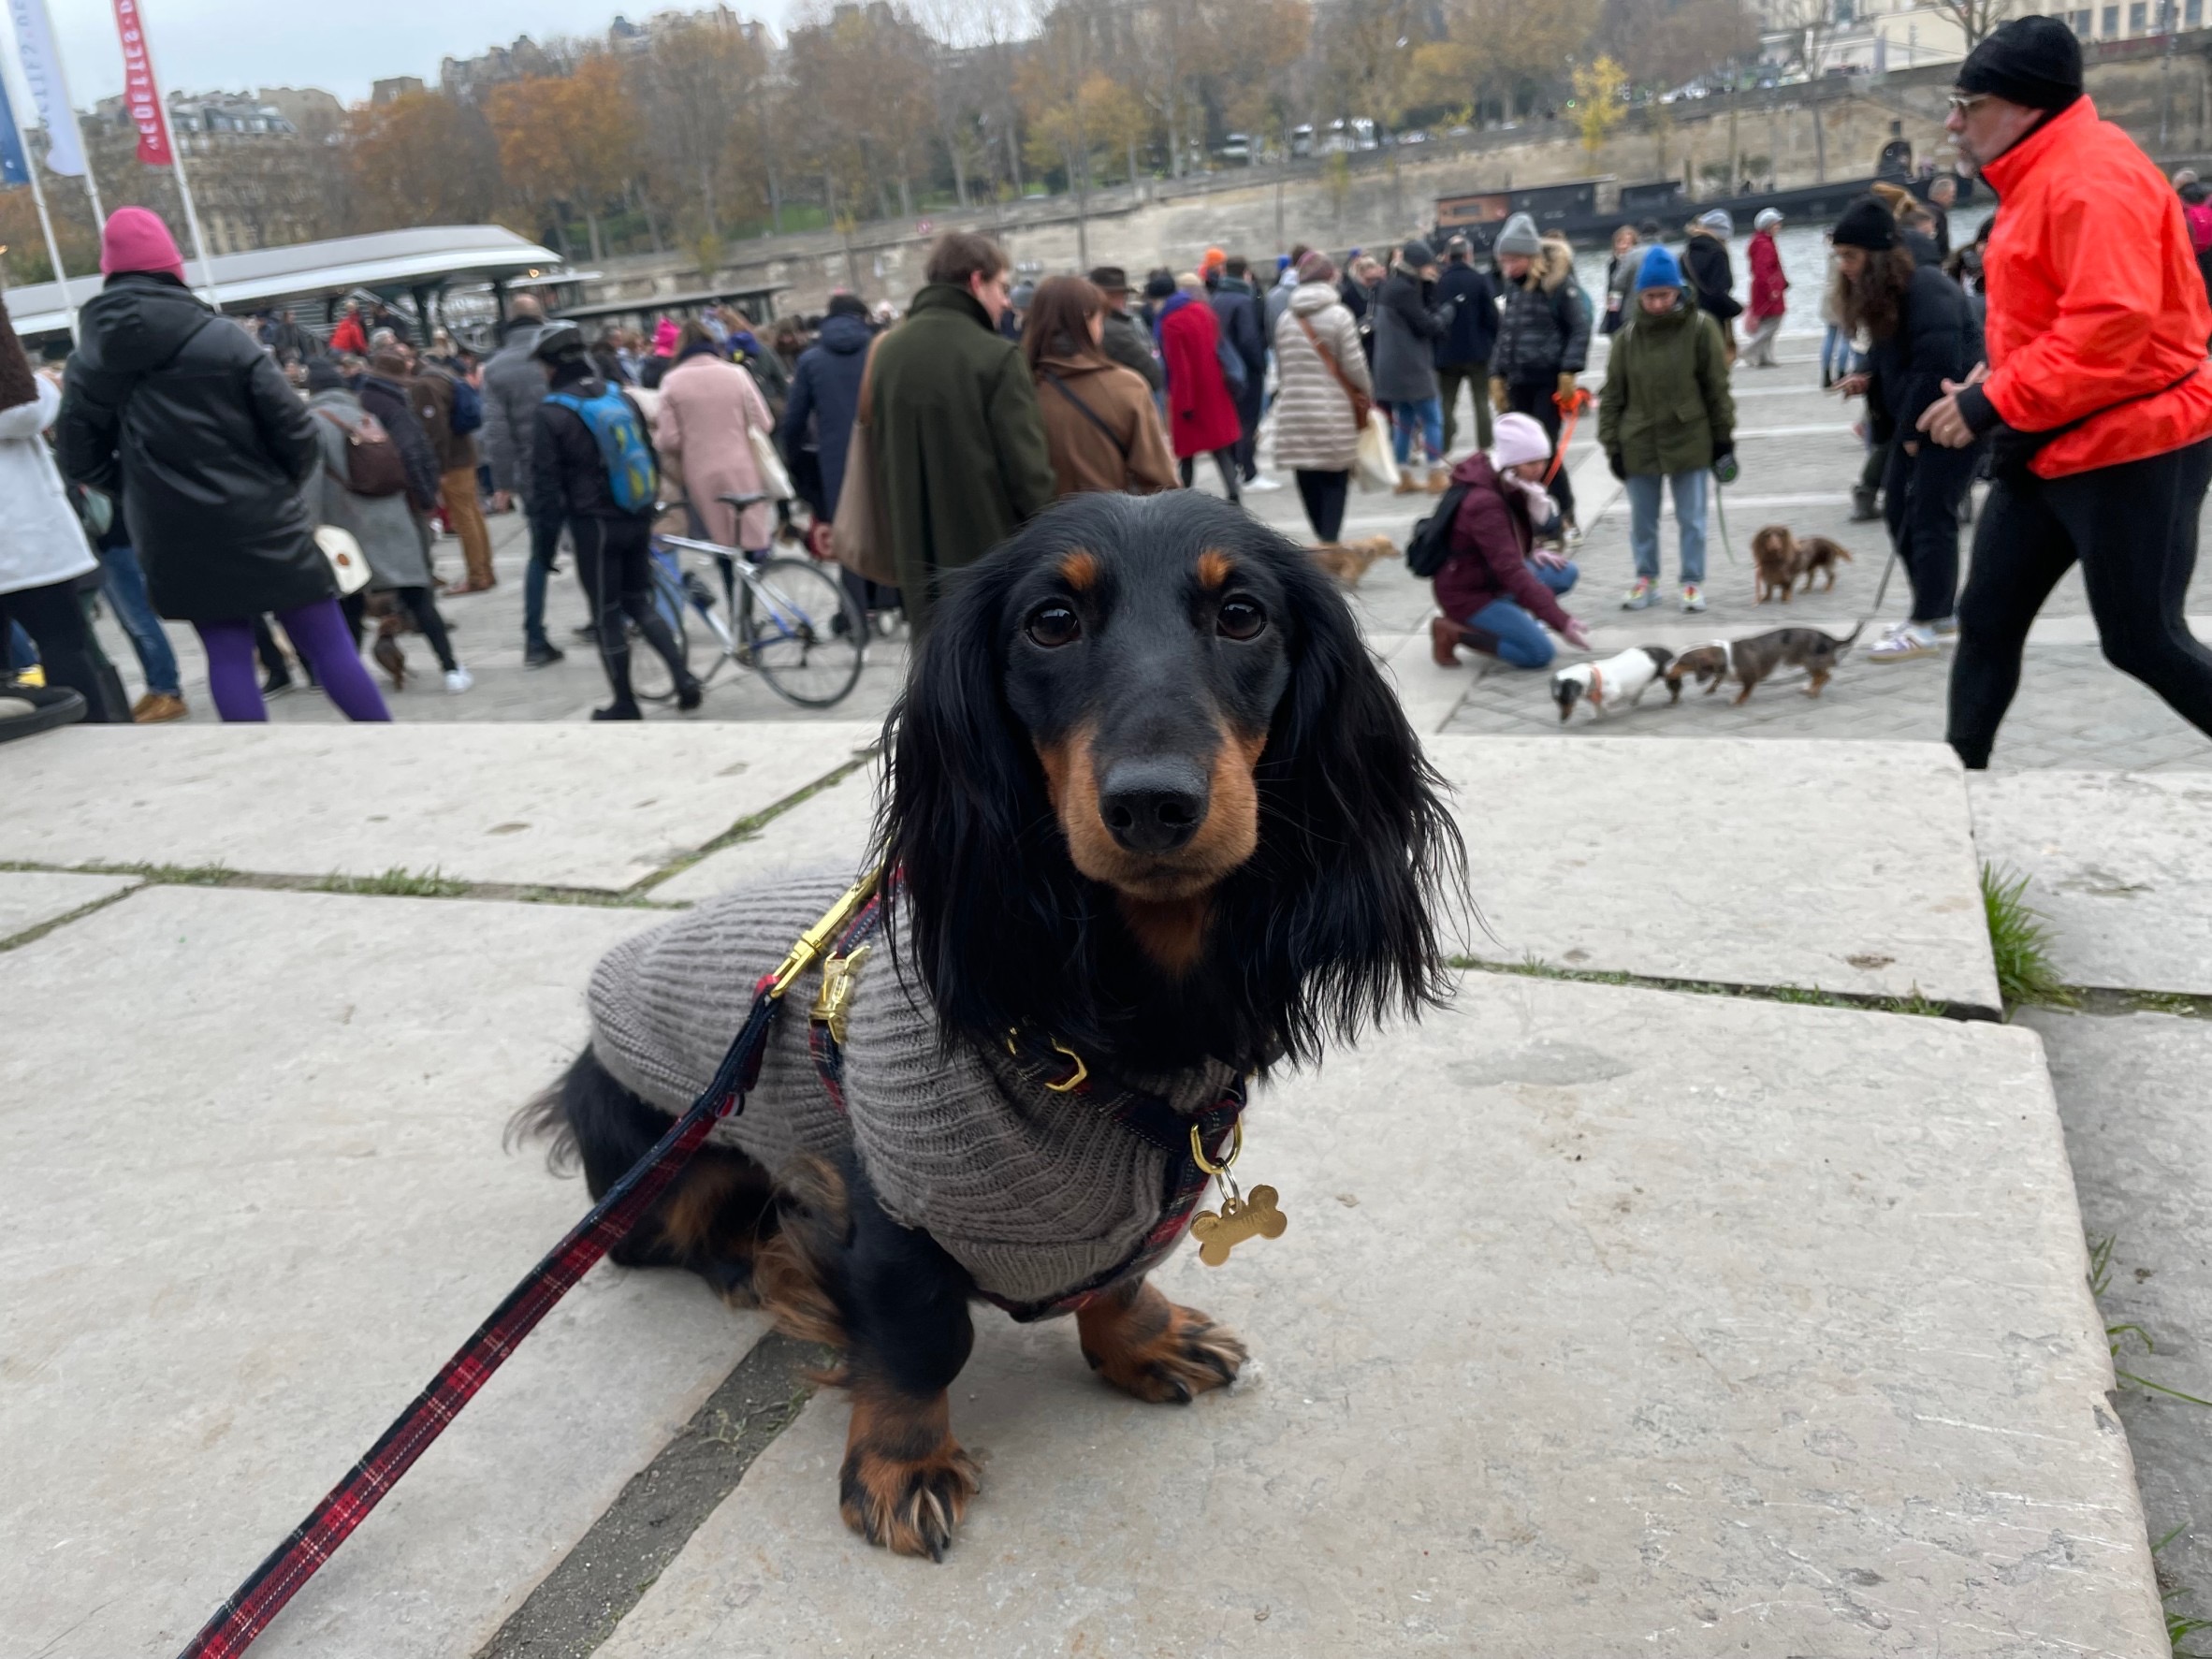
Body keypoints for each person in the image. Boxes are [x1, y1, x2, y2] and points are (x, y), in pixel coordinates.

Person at [1915, 17, 2212, 768]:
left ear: (2026, 107)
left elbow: (2111, 325)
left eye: (1967, 102)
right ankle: (1960, 797)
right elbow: (2057, 316)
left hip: (2136, 439)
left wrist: (1991, 402)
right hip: (2052, 435)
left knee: (2144, 640)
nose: (1954, 122)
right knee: (1985, 621)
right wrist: (1998, 381)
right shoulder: (2042, 169)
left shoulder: (2091, 178)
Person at [58, 209, 387, 723]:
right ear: (173, 267)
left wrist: (141, 492)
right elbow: (296, 432)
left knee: (228, 656)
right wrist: (278, 484)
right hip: (263, 516)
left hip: (173, 533)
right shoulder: (224, 338)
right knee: (328, 644)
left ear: (109, 273)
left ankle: (252, 772)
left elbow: (80, 459)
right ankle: (385, 750)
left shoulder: (87, 363)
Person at [867, 230, 1056, 628]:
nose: (1006, 300)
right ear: (976, 281)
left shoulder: (888, 353)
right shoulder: (996, 356)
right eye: (1001, 287)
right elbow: (1029, 477)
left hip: (915, 561)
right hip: (990, 566)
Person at [1825, 197, 1982, 662]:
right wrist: (1868, 375)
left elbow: (1935, 363)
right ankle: (1935, 611)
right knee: (1898, 510)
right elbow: (1893, 348)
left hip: (1950, 418)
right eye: (1840, 257)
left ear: (1876, 256)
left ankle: (1930, 620)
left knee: (1929, 516)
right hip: (1920, 419)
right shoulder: (1890, 291)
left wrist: (1912, 433)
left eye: (1850, 257)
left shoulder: (1927, 286)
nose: (1845, 267)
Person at [528, 322, 700, 720]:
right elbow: (651, 456)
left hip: (594, 526)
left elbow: (545, 489)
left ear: (551, 366)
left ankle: (625, 701)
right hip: (636, 515)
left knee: (607, 613)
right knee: (640, 601)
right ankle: (684, 678)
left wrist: (544, 548)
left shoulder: (552, 413)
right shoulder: (620, 397)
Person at [302, 359, 471, 692]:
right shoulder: (368, 417)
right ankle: (451, 669)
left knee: (349, 605)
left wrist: (309, 526)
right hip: (394, 518)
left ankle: (348, 678)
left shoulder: (312, 423)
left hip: (348, 526)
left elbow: (312, 480)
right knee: (419, 597)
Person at [1599, 245, 1736, 616]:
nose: (1657, 303)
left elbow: (1716, 387)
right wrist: (1612, 445)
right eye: (1649, 296)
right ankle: (1647, 579)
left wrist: (1723, 438)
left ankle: (1692, 581)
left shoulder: (1700, 327)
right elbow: (1612, 395)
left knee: (1692, 518)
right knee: (1643, 520)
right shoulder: (1626, 338)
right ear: (1639, 296)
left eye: (1664, 295)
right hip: (1639, 439)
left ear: (1678, 291)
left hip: (1689, 437)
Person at [1, 304, 120, 726]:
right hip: (20, 526)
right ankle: (93, 742)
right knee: (64, 643)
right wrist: (48, 386)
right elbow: (19, 410)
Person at [1430, 413, 1592, 670]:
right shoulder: (1484, 502)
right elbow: (1511, 570)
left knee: (1564, 573)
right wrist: (1560, 621)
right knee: (1538, 653)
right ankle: (1454, 631)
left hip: (1490, 577)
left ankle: (1508, 614)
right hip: (1469, 593)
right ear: (1511, 461)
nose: (1539, 470)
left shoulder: (1508, 480)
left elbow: (1513, 536)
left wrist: (1531, 549)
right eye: (1531, 463)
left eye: (1543, 461)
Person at [1023, 276, 1177, 499]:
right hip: (1112, 525)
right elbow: (1159, 482)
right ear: (1086, 319)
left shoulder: (1019, 387)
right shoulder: (1125, 386)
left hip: (1045, 528)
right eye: (1100, 318)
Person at [1488, 212, 1592, 540]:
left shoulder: (1558, 285)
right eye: (1503, 261)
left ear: (1530, 257)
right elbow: (1506, 335)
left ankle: (1565, 511)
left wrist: (1568, 371)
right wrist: (1496, 374)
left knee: (1540, 452)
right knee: (1519, 454)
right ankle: (1534, 514)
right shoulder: (1513, 288)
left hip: (1548, 380)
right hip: (1519, 380)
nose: (1507, 266)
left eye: (1513, 260)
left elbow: (1579, 328)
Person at [655, 320, 779, 574]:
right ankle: (754, 597)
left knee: (722, 546)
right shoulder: (736, 374)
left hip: (701, 471)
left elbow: (670, 440)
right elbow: (764, 423)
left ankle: (734, 599)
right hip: (743, 466)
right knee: (749, 538)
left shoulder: (672, 381)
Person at [483, 297, 565, 667]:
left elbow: (497, 434)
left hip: (534, 475)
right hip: (578, 468)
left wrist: (503, 484)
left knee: (539, 556)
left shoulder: (496, 368)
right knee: (594, 549)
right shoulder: (560, 351)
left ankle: (534, 637)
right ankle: (609, 620)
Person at [1271, 252, 1374, 549]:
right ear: (1330, 277)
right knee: (1335, 477)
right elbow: (1355, 365)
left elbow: (1282, 367)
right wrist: (1367, 392)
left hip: (1295, 409)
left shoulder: (1286, 319)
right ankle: (1329, 542)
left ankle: (1321, 539)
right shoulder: (1339, 315)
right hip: (1333, 409)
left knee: (1307, 474)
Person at [410, 346, 494, 592]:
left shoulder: (424, 385)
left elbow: (435, 430)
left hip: (452, 461)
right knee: (473, 514)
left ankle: (477, 575)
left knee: (464, 517)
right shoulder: (444, 375)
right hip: (465, 453)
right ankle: (485, 570)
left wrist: (439, 467)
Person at [1371, 239, 1452, 493]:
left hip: (1390, 367)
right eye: (1429, 266)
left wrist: (1427, 288)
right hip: (1411, 366)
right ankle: (1436, 473)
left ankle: (1403, 476)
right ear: (1417, 266)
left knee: (1404, 419)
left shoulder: (1391, 287)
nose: (1433, 270)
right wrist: (1447, 313)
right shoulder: (1406, 290)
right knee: (1433, 419)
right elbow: (1426, 326)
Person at [1157, 270, 1245, 502]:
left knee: (1186, 455)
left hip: (1191, 396)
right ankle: (1234, 493)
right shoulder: (1202, 310)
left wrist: (1184, 404)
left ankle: (1183, 498)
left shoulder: (1171, 322)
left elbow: (1180, 369)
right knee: (1221, 450)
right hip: (1215, 390)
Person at [1211, 256, 1272, 488]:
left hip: (1226, 369)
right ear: (1245, 273)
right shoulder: (1243, 299)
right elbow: (1249, 339)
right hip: (1246, 370)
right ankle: (1250, 471)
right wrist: (1260, 365)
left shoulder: (1216, 298)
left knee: (1234, 420)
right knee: (1248, 421)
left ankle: (1237, 466)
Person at [1434, 235, 1497, 458]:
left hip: (1446, 352)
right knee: (1481, 400)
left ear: (1448, 257)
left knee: (1446, 402)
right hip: (1477, 350)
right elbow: (1492, 316)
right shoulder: (1479, 280)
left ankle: (1444, 445)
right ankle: (1485, 447)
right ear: (1469, 255)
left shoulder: (1439, 282)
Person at [1087, 267, 1162, 392]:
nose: (1123, 300)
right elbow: (1153, 375)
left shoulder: (1122, 321)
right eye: (1117, 295)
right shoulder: (1114, 330)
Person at [1682, 209, 1742, 358]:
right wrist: (1736, 308)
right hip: (1714, 320)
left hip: (1690, 319)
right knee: (1716, 365)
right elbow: (1718, 293)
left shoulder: (1686, 254)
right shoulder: (1717, 253)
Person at [1743, 208, 1789, 369]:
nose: (1779, 226)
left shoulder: (1761, 242)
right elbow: (1762, 270)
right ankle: (1751, 349)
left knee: (1765, 323)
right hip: (1768, 290)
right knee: (1773, 323)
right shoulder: (1764, 245)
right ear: (1769, 225)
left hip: (1763, 289)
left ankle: (1764, 357)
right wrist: (1772, 289)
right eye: (1776, 223)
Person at [1600, 224, 1642, 338]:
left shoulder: (1639, 263)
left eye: (1628, 243)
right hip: (1617, 308)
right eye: (1620, 242)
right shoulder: (1612, 264)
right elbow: (1612, 290)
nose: (1624, 247)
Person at [1926, 174, 1958, 257]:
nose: (1953, 199)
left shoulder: (1924, 211)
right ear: (1942, 194)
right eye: (1952, 195)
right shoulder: (1938, 213)